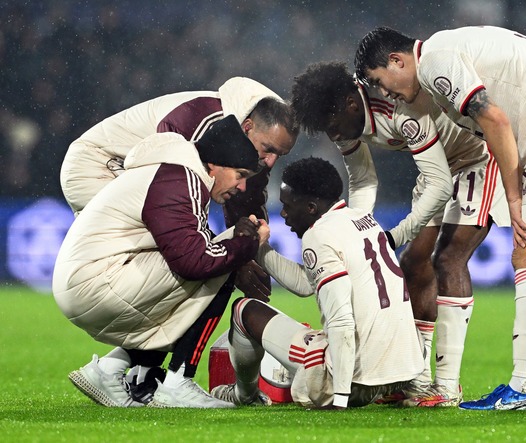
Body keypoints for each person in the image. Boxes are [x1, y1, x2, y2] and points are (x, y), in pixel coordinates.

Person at [354, 26, 526, 410]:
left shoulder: (435, 63)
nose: (386, 93)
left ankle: (525, 388)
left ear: (397, 60)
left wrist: (512, 195)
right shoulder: (450, 49)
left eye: (382, 81)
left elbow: (494, 119)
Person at [290, 61, 508, 407]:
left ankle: (447, 386)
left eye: (332, 125)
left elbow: (438, 184)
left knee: (448, 259)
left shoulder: (397, 108)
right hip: (438, 167)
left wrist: (391, 235)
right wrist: (358, 230)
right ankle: (414, 380)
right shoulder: (346, 124)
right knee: (413, 262)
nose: (335, 135)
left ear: (350, 103)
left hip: (476, 158)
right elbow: (363, 181)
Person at [53, 115, 270, 408]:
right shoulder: (181, 178)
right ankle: (179, 382)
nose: (241, 187)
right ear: (215, 164)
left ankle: (110, 368)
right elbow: (196, 263)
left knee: (213, 258)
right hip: (97, 283)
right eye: (240, 174)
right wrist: (246, 245)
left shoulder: (172, 173)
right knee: (220, 263)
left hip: (89, 280)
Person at [210, 157, 425, 409]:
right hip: (401, 373)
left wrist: (341, 400)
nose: (284, 214)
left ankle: (243, 395)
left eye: (288, 205)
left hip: (357, 383)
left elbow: (341, 321)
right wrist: (258, 248)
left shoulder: (319, 233)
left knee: (244, 310)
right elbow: (305, 283)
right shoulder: (364, 220)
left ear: (311, 207)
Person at [60, 76, 299, 302]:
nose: (270, 161)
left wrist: (251, 254)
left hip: (125, 174)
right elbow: (174, 196)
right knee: (196, 264)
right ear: (247, 126)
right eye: (269, 149)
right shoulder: (203, 120)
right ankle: (133, 340)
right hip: (97, 166)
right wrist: (237, 263)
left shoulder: (255, 146)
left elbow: (247, 205)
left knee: (203, 264)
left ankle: (136, 344)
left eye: (280, 154)